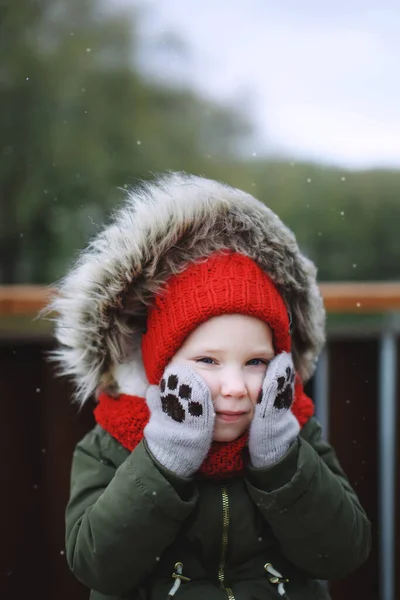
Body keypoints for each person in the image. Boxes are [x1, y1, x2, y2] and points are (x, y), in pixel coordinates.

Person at [48, 172, 371, 600]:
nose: (235, 386)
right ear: (163, 370)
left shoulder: (297, 432)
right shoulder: (111, 444)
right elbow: (97, 565)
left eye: (256, 362)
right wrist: (165, 459)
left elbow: (343, 552)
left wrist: (280, 458)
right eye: (207, 362)